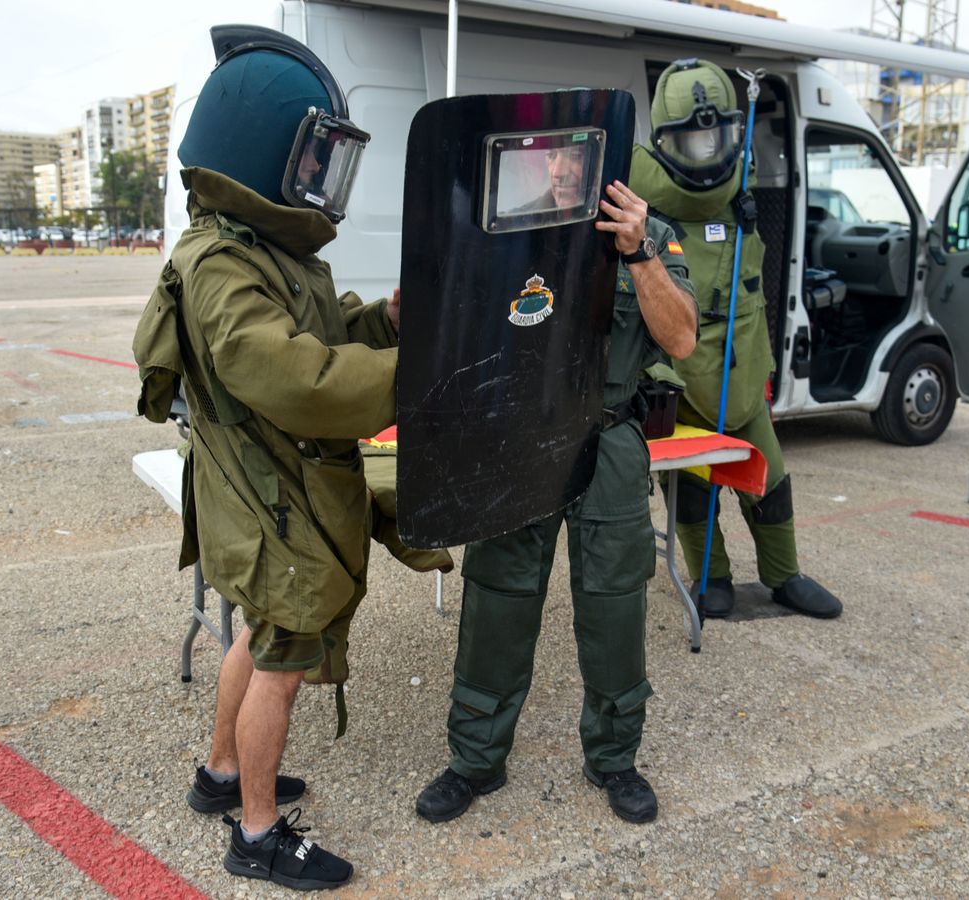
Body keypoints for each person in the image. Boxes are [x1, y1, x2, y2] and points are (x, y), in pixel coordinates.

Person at [132, 29, 391, 891]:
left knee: (256, 633)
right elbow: (301, 378)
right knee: (282, 659)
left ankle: (219, 777)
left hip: (271, 488)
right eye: (313, 160)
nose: (323, 184)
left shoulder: (263, 251)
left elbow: (321, 335)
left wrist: (389, 321)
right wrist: (413, 379)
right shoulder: (220, 268)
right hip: (270, 496)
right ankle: (256, 833)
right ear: (257, 150)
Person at [416, 149, 699, 827]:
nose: (567, 169)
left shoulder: (651, 234)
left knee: (614, 604)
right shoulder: (511, 230)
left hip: (610, 439)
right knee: (498, 600)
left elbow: (682, 337)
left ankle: (614, 758)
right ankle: (475, 760)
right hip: (520, 441)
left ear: (610, 160)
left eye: (585, 157)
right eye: (558, 157)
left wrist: (639, 255)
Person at [628, 58, 842, 621]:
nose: (707, 150)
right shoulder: (636, 204)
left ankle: (783, 573)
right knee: (692, 491)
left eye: (715, 135)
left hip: (741, 373)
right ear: (664, 141)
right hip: (680, 380)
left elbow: (752, 297)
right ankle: (710, 576)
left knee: (770, 480)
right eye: (692, 139)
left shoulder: (740, 193)